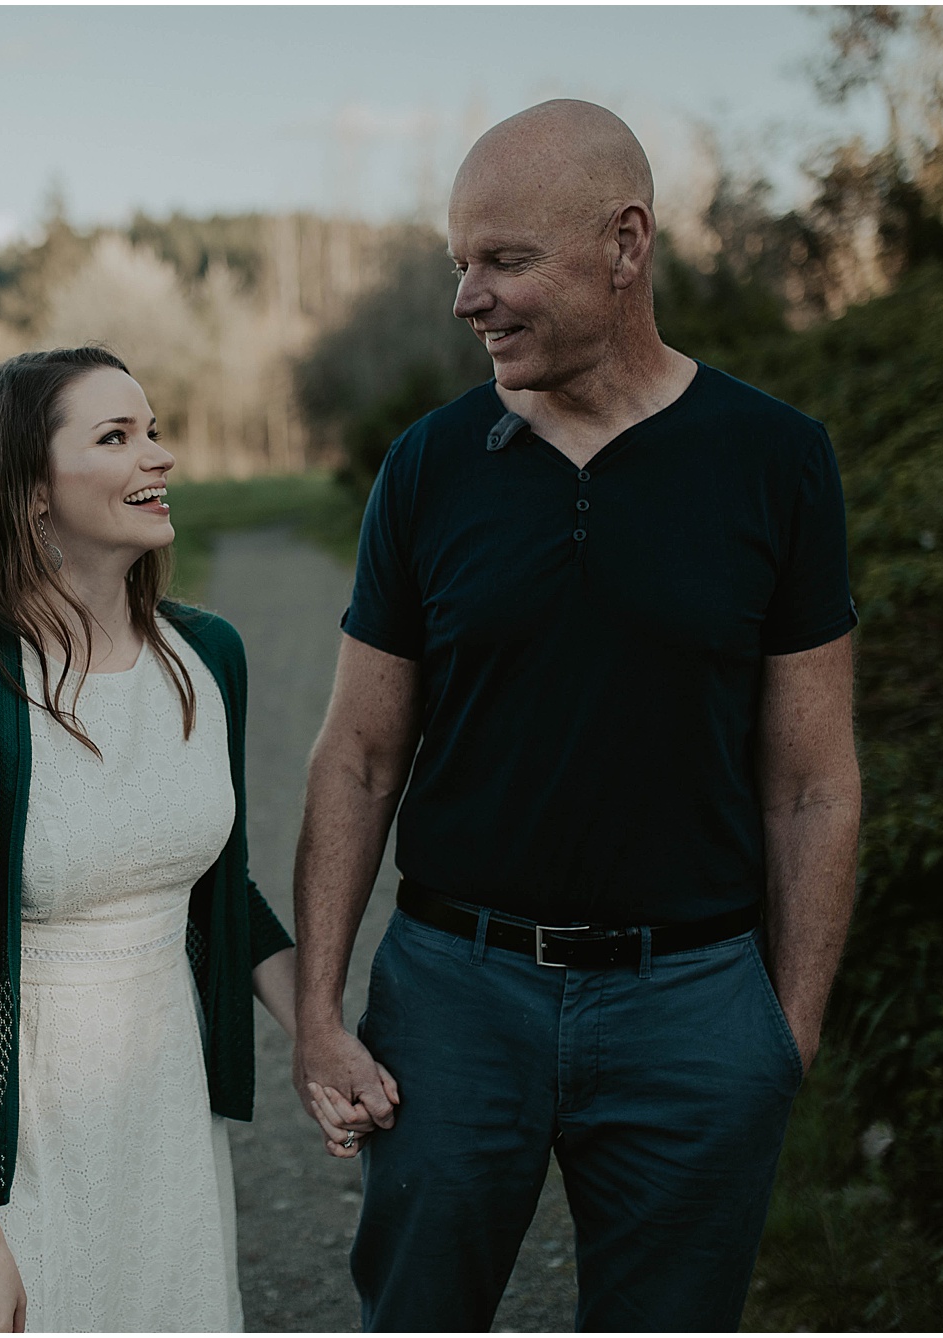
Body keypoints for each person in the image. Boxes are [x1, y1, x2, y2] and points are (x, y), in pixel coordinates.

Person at [290, 99, 863, 1331]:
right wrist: (321, 1012)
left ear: (624, 244)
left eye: (504, 260)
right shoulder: (429, 468)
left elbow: (811, 782)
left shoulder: (775, 462)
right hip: (452, 995)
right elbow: (357, 756)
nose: (466, 300)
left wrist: (785, 1039)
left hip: (694, 1001)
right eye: (459, 264)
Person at [0, 346, 303, 1332]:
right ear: (28, 494)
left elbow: (219, 891)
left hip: (164, 1111)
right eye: (116, 437)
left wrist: (319, 1035)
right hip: (11, 1142)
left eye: (151, 429)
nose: (159, 455)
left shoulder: (207, 659)